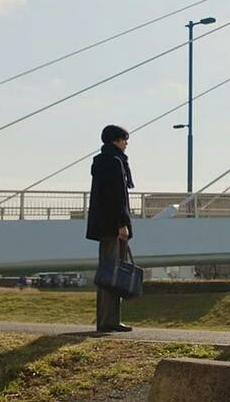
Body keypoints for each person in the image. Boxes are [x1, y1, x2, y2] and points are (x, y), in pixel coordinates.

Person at [87, 124, 135, 333]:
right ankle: (110, 321)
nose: (126, 143)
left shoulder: (99, 161)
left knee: (107, 272)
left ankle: (105, 319)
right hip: (113, 226)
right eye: (124, 139)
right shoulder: (115, 162)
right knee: (114, 273)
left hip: (102, 224)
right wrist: (122, 224)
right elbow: (119, 198)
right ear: (116, 140)